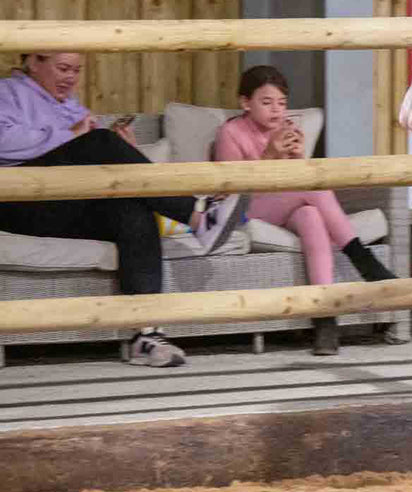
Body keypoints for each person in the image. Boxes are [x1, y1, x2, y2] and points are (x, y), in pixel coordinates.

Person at [0, 52, 247, 368]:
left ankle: (145, 335)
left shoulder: (71, 105)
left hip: (62, 204)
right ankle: (197, 214)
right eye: (62, 68)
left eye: (76, 70)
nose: (70, 78)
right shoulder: (7, 91)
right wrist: (73, 137)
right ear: (34, 62)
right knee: (100, 140)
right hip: (19, 204)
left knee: (131, 203)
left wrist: (126, 151)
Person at [212, 65, 397, 355]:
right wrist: (271, 155)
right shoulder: (229, 133)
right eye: (267, 102)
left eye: (282, 103)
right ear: (245, 103)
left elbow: (290, 185)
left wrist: (297, 157)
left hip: (283, 205)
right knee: (310, 185)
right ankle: (364, 260)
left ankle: (324, 320)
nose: (276, 111)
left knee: (310, 215)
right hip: (244, 209)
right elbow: (235, 192)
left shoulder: (287, 129)